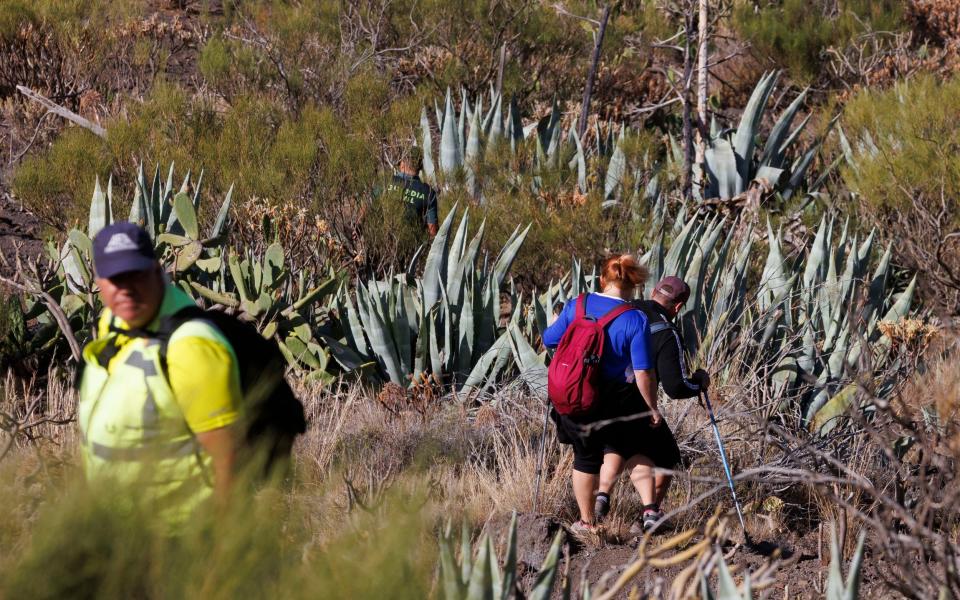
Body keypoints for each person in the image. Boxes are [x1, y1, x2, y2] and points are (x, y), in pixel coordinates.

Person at [78, 222, 241, 529]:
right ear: (98, 282)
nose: (126, 288)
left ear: (157, 270)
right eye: (115, 278)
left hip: (178, 540)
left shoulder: (192, 345)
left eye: (135, 274)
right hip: (116, 534)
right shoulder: (113, 321)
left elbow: (228, 461)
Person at [543, 254, 666, 534]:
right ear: (635, 286)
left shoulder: (577, 305)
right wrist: (652, 407)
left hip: (578, 397)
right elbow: (644, 372)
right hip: (616, 400)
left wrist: (555, 320)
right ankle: (649, 510)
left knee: (585, 459)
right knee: (636, 448)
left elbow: (549, 340)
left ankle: (587, 522)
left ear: (602, 280)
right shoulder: (636, 319)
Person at [593, 275, 710, 529]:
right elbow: (675, 387)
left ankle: (601, 496)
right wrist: (699, 383)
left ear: (653, 291)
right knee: (667, 454)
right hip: (636, 404)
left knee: (617, 446)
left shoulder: (625, 309)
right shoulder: (667, 332)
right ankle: (649, 515)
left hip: (597, 398)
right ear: (678, 307)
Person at [386, 146, 439, 237]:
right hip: (413, 247)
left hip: (379, 243)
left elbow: (367, 204)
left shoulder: (386, 182)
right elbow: (433, 232)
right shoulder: (428, 192)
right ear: (420, 167)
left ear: (402, 164)